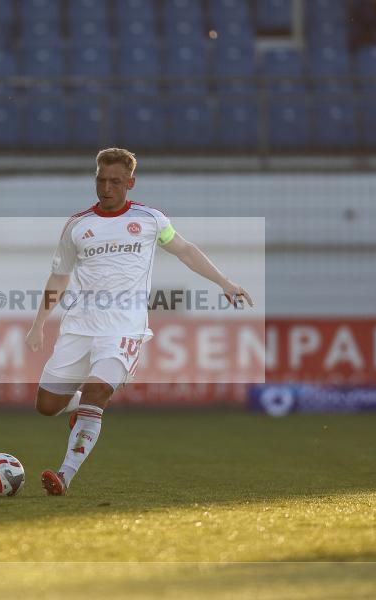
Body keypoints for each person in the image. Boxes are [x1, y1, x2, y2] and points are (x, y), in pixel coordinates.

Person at [26, 148, 253, 496]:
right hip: (79, 327)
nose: (106, 188)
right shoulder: (77, 225)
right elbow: (59, 277)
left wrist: (224, 282)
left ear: (130, 183)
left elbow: (186, 251)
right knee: (46, 406)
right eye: (101, 180)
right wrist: (39, 323)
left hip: (123, 329)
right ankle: (79, 407)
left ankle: (64, 475)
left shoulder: (151, 220)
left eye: (115, 181)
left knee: (98, 392)